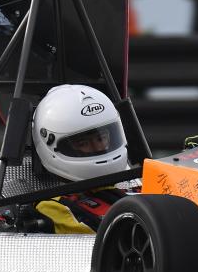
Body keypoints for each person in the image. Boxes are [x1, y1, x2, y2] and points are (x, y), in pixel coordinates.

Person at [30, 84, 129, 234]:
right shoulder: (54, 207)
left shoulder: (142, 180)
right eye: (83, 143)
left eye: (101, 138)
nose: (97, 148)